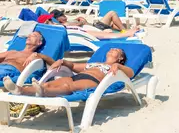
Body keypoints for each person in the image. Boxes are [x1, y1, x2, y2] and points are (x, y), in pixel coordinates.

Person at [3, 48, 133, 97]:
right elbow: (75, 66)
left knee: (68, 87)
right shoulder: (96, 63)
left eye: (115, 50)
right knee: (48, 84)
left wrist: (117, 65)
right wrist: (64, 62)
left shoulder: (118, 67)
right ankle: (19, 90)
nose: (111, 50)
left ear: (120, 57)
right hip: (80, 75)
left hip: (94, 81)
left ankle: (43, 92)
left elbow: (131, 73)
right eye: (110, 49)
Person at [49, 9, 140, 38]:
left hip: (94, 26)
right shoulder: (64, 25)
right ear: (57, 19)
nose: (64, 15)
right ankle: (124, 31)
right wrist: (81, 22)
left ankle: (124, 30)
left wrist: (79, 19)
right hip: (96, 28)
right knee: (112, 13)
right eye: (61, 15)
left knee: (113, 23)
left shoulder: (66, 23)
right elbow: (76, 26)